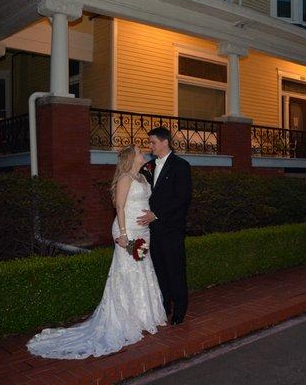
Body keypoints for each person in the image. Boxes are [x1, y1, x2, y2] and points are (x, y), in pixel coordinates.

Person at [26, 145, 166, 359]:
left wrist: (152, 216)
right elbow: (119, 207)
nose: (143, 152)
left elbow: (148, 202)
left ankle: (143, 315)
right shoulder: (125, 178)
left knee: (143, 269)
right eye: (139, 151)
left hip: (143, 230)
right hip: (126, 230)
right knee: (127, 271)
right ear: (131, 158)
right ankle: (126, 318)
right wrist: (124, 234)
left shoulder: (143, 177)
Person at [138, 127, 192, 325]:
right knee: (159, 270)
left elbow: (182, 198)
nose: (150, 146)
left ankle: (180, 310)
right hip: (152, 230)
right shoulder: (148, 166)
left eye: (153, 142)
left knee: (175, 270)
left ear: (164, 142)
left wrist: (157, 215)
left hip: (171, 229)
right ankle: (164, 305)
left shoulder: (181, 166)